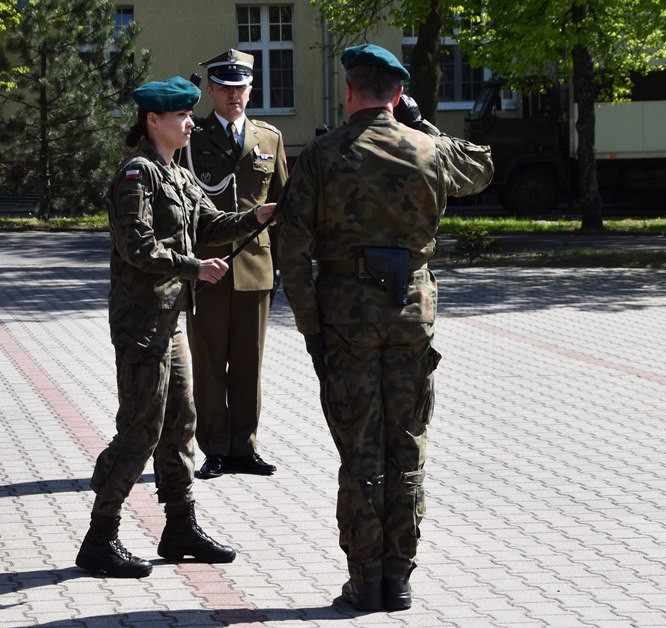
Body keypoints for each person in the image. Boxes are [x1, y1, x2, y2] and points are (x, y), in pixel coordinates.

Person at [277, 44, 494, 612]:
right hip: (409, 315)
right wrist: (422, 124)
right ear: (397, 94)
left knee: (360, 449)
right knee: (407, 446)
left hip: (345, 320)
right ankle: (399, 578)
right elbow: (482, 166)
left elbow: (293, 254)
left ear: (348, 90)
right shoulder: (429, 149)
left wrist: (311, 330)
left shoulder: (321, 155)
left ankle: (364, 577)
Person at [77, 76, 276, 579]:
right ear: (153, 121)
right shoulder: (136, 176)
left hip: (171, 322)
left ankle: (180, 527)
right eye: (181, 117)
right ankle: (99, 538)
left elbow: (209, 224)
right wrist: (195, 268)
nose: (191, 123)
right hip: (141, 324)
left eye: (189, 116)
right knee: (140, 431)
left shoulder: (177, 174)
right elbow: (137, 248)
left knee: (181, 425)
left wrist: (259, 215)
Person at [180, 49, 288, 480]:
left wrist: (282, 268)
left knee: (249, 364)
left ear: (250, 89)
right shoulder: (193, 136)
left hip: (256, 269)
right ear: (210, 91)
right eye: (225, 87)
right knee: (209, 364)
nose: (234, 95)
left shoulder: (269, 139)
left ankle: (244, 447)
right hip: (207, 268)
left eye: (240, 87)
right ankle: (215, 448)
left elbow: (284, 209)